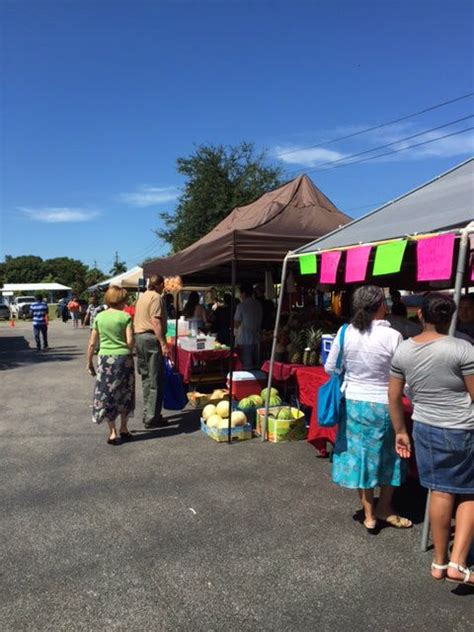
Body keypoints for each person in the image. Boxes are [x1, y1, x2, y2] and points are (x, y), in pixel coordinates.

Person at [389, 293, 474, 584]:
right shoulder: (463, 349)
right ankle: (458, 563)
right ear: (451, 317)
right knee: (470, 492)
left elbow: (394, 395)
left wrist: (400, 431)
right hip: (461, 429)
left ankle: (439, 562)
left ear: (420, 316)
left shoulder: (404, 349)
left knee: (439, 491)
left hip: (424, 427)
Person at [325, 285, 411, 532]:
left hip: (354, 404)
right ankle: (385, 506)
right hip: (386, 405)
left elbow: (330, 368)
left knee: (361, 457)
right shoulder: (393, 336)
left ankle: (369, 513)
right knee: (390, 457)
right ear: (382, 305)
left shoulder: (345, 332)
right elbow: (404, 375)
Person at [87, 286, 135, 445]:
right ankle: (124, 428)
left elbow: (92, 343)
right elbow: (130, 342)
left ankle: (113, 432)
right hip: (124, 359)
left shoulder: (100, 317)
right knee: (125, 392)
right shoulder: (125, 316)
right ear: (122, 300)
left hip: (105, 359)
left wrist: (89, 363)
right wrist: (127, 351)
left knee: (107, 394)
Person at [134, 275, 169, 428]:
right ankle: (152, 417)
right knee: (155, 379)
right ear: (160, 284)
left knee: (147, 378)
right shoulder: (156, 297)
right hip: (150, 339)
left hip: (139, 338)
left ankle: (148, 412)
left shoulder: (142, 297)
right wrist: (163, 343)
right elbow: (155, 321)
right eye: (163, 284)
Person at [234, 283, 263, 370]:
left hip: (244, 340)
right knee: (257, 367)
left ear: (243, 293)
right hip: (257, 339)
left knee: (246, 367)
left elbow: (236, 322)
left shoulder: (241, 306)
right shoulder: (258, 304)